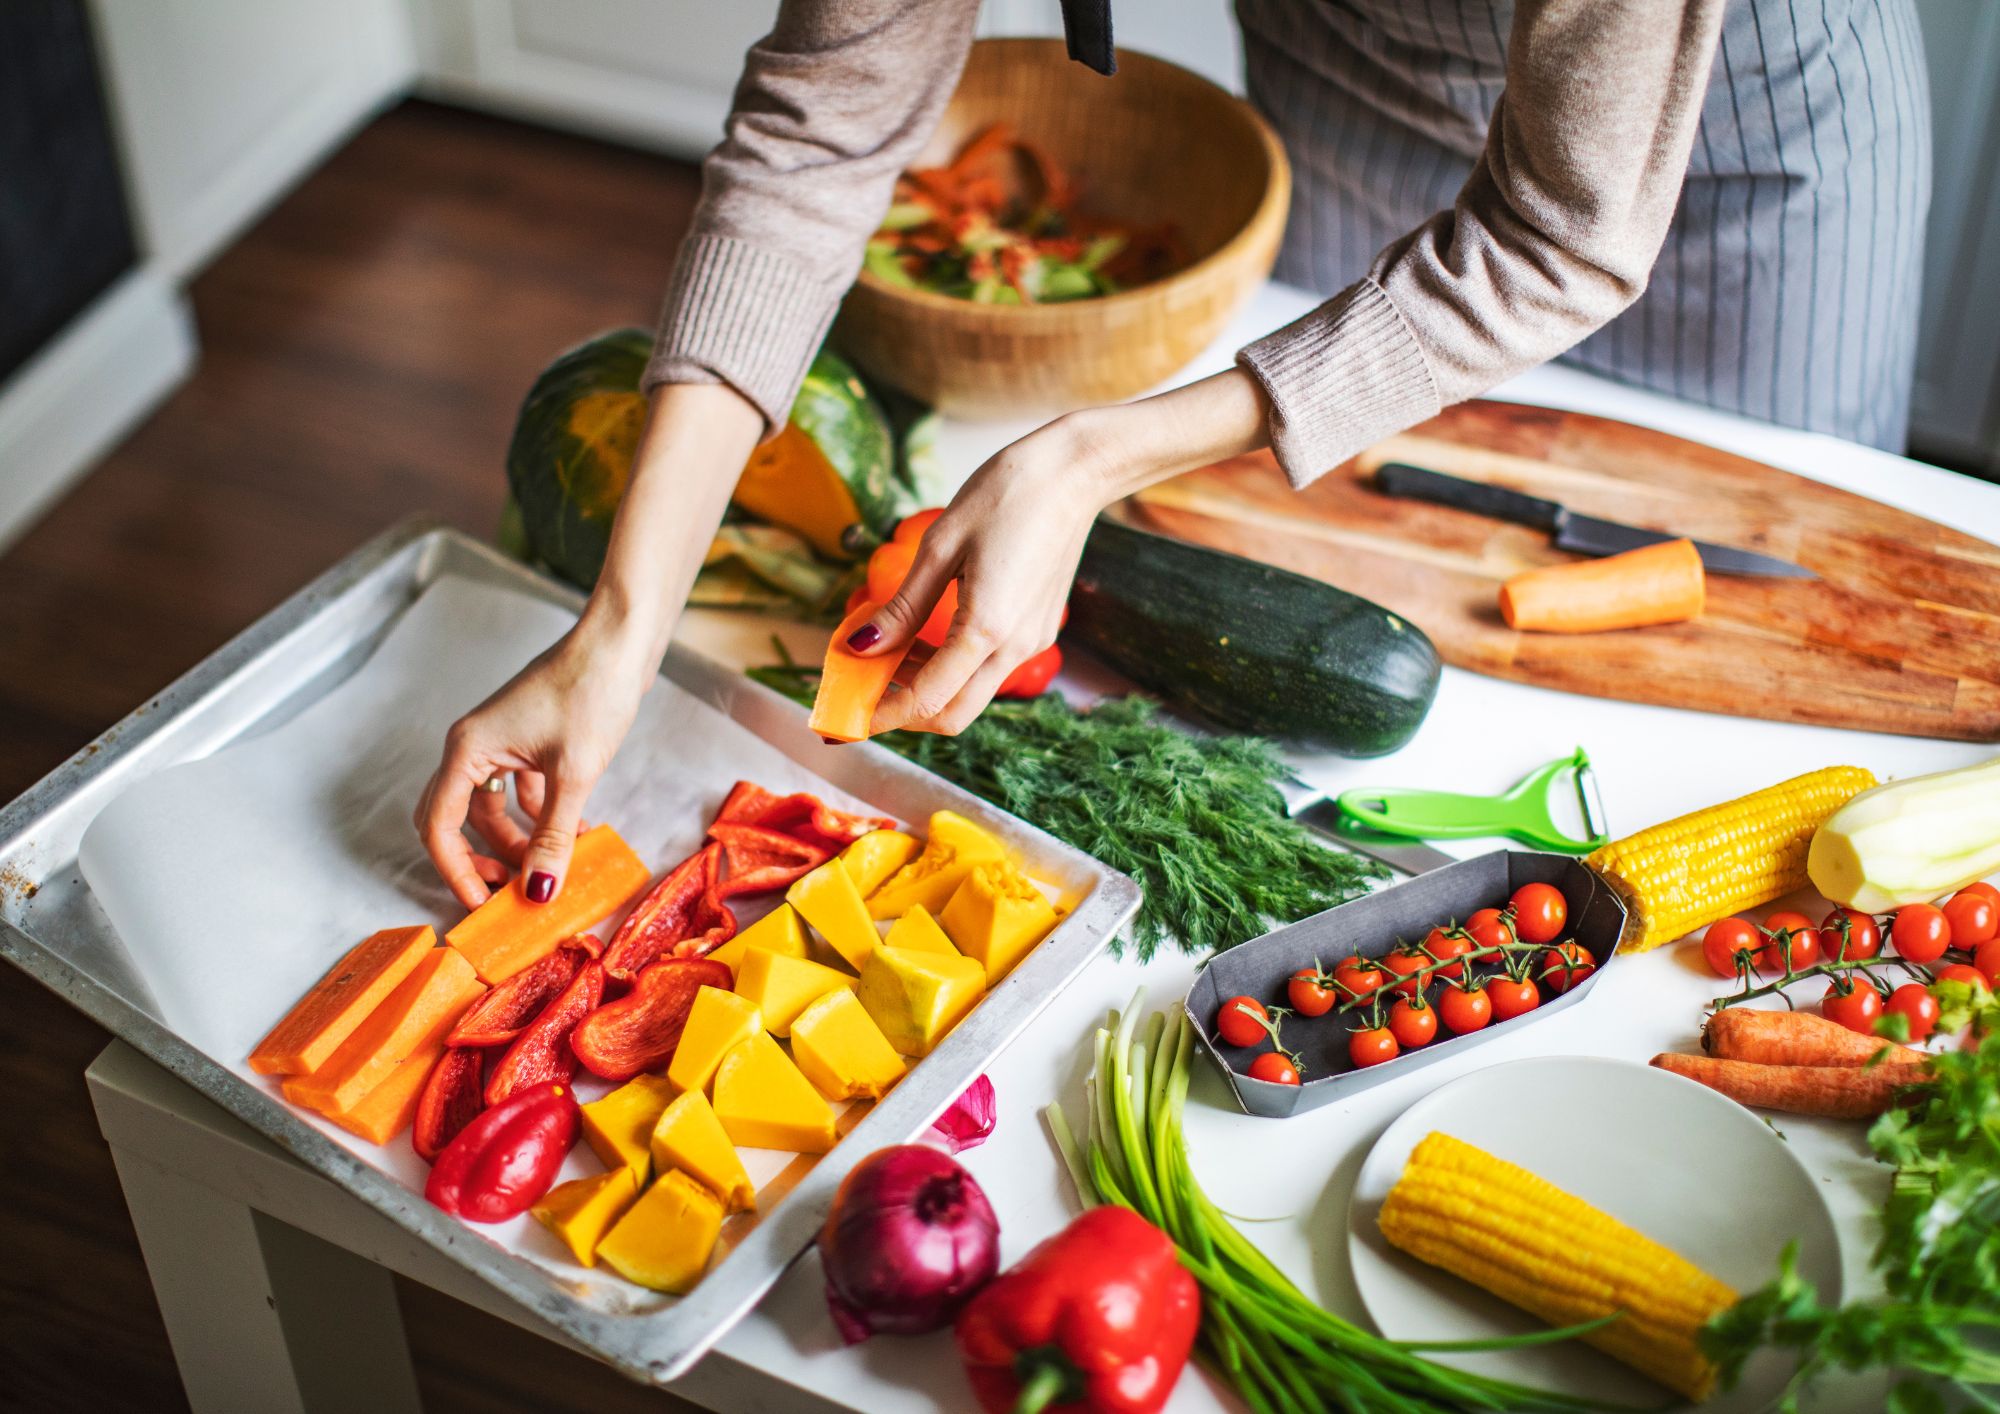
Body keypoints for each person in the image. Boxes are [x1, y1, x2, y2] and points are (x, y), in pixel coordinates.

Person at [418, 0, 1930, 909]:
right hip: (1352, 76)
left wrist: (1088, 460)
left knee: (1778, 665)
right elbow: (820, 138)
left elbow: (1561, 234)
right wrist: (616, 634)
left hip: (1742, 131)